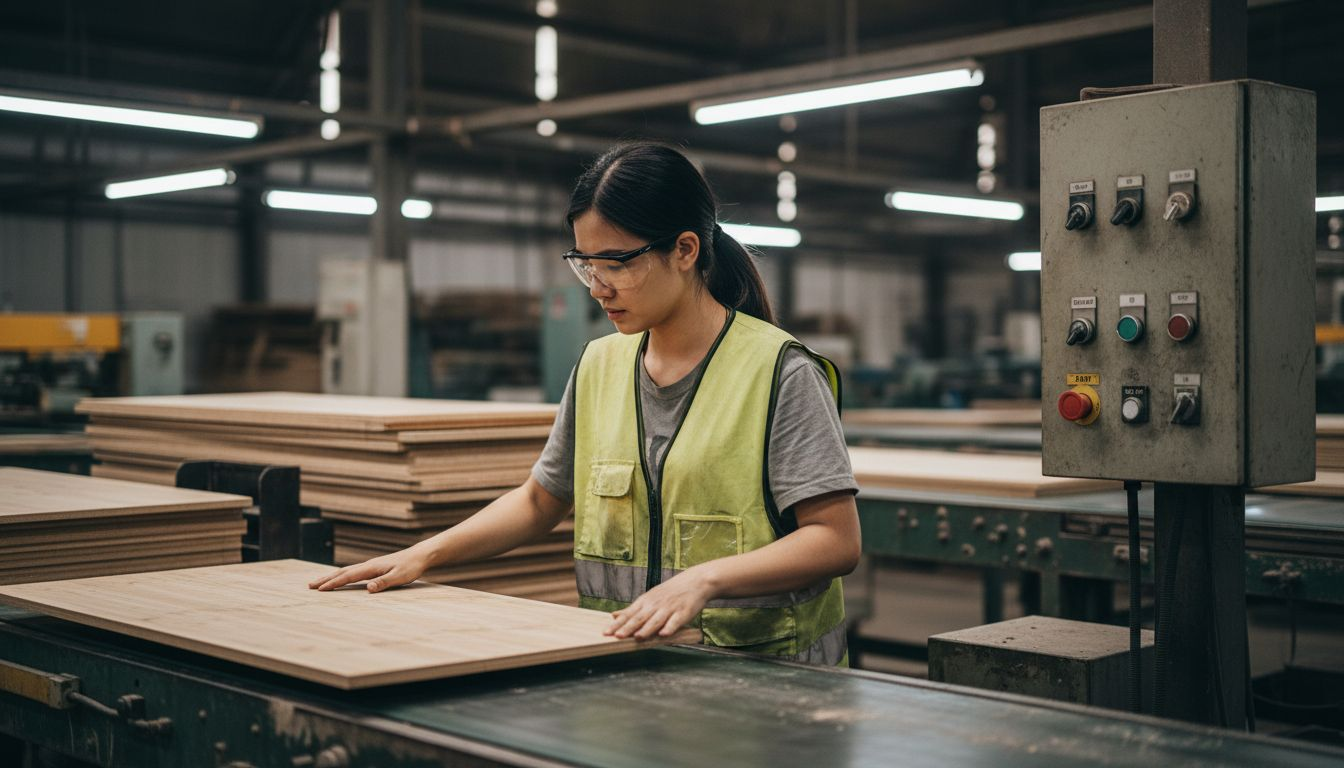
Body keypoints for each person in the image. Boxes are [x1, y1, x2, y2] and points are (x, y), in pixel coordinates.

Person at [309, 142, 861, 666]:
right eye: (585, 264)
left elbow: (835, 540)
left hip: (767, 680)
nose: (598, 287)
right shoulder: (600, 365)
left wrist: (706, 578)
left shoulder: (779, 373)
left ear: (685, 250)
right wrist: (424, 554)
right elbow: (538, 501)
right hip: (624, 663)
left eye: (617, 263)